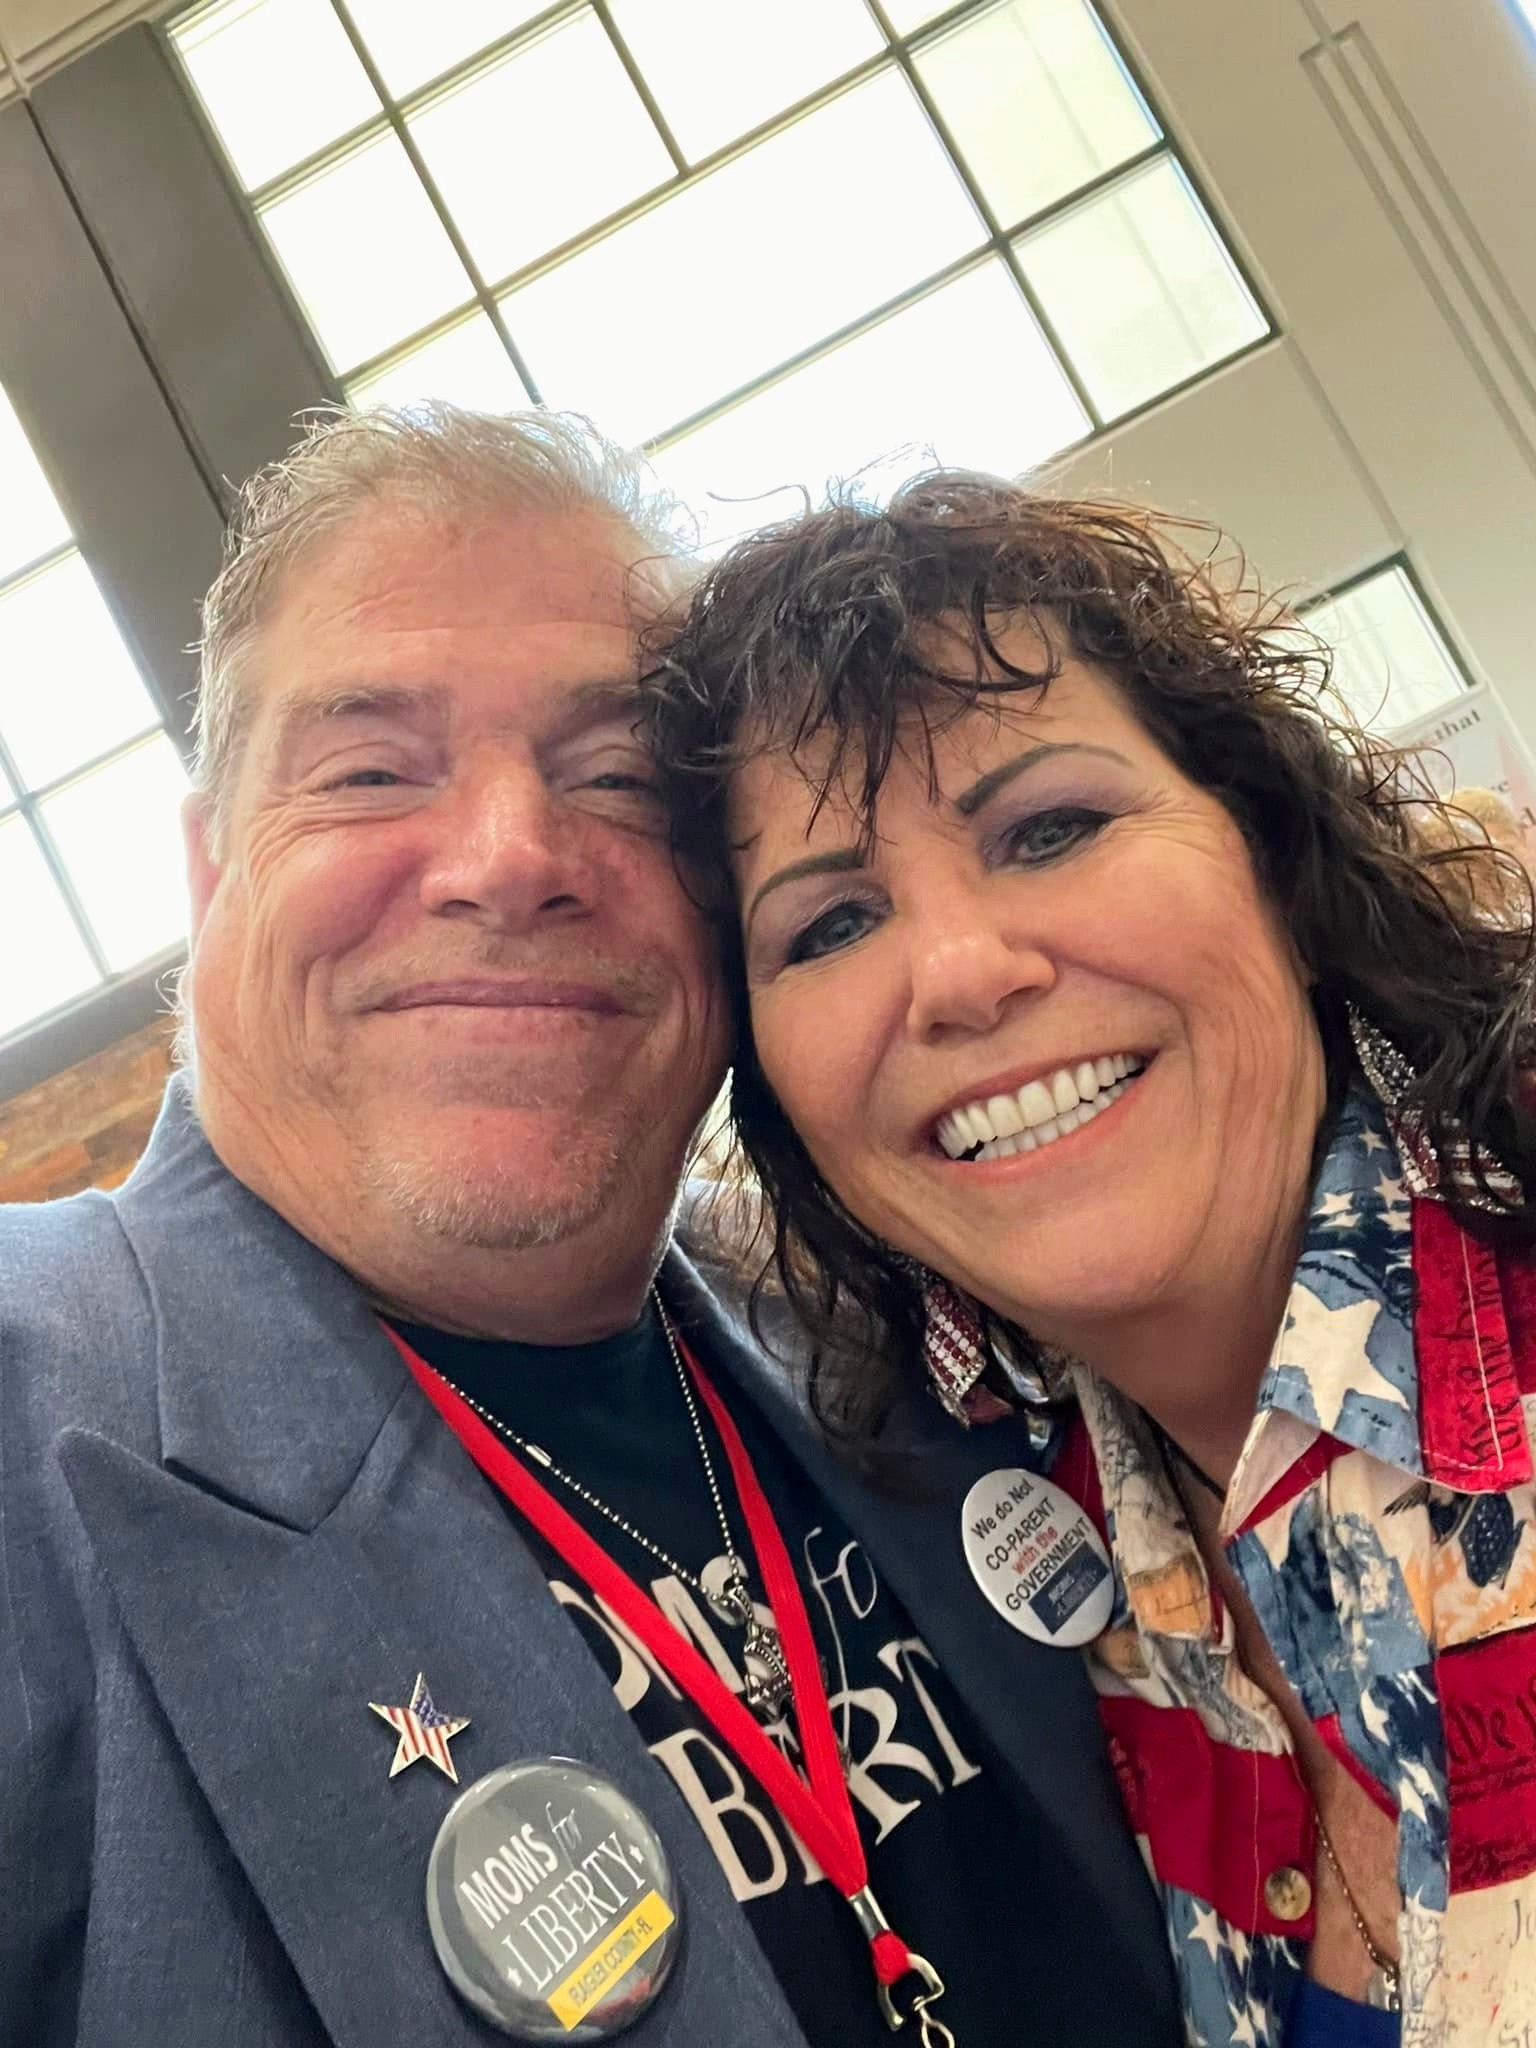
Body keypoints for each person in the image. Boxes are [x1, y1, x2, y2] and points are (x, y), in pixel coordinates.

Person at [0, 411, 1178, 2048]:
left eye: (617, 778)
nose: (512, 860)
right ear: (210, 873)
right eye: (370, 771)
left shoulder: (906, 1322)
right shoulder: (30, 1411)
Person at [648, 471, 1536, 2048]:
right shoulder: (1039, 1581)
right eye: (830, 926)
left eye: (1050, 829)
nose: (961, 973)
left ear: (1273, 849)